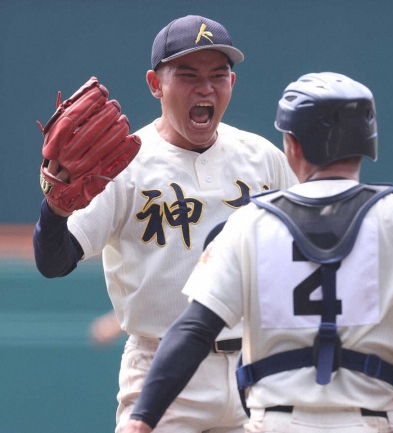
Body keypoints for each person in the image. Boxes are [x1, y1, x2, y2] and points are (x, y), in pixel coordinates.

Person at [123, 72, 393, 433]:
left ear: (292, 144)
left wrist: (142, 419)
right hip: (370, 422)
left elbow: (195, 329)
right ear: (368, 142)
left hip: (277, 421)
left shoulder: (249, 224)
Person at [33, 15, 299, 433]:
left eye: (219, 75)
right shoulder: (122, 166)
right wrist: (56, 211)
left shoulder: (263, 158)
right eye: (188, 75)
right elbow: (54, 262)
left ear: (233, 83)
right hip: (161, 373)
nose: (205, 87)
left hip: (255, 370)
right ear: (155, 84)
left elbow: (314, 245)